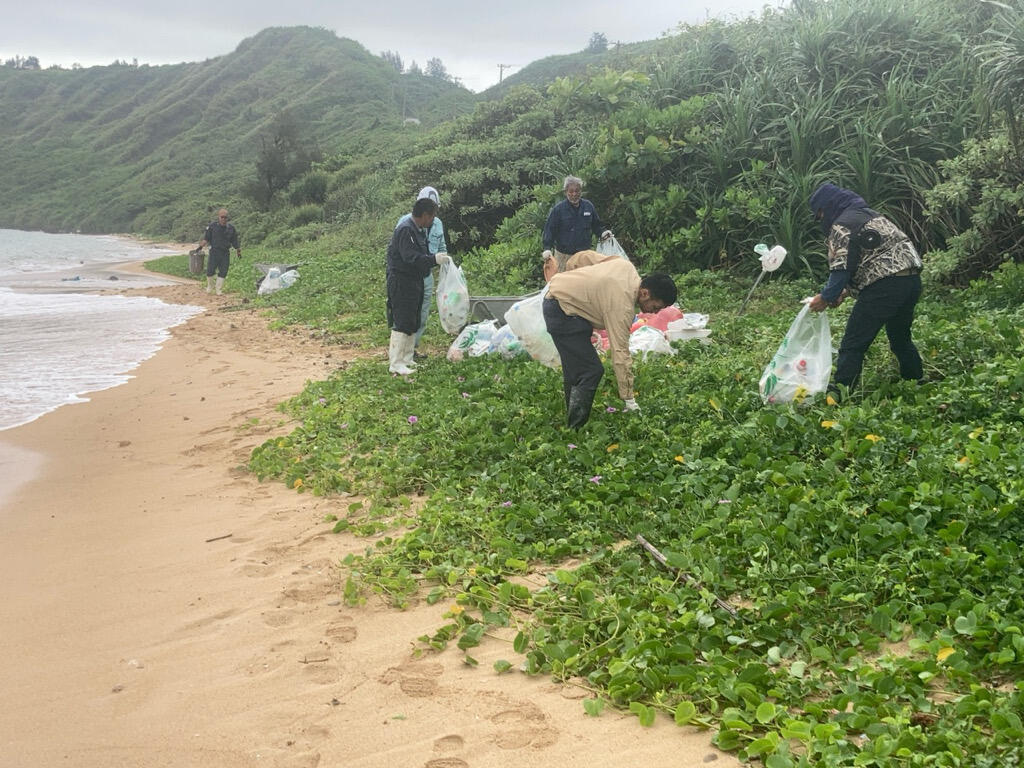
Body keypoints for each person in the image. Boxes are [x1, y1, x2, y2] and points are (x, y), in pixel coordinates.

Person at [807, 183, 924, 396]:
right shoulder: (872, 216)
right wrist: (844, 292)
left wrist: (825, 297)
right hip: (911, 281)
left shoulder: (842, 224)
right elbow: (871, 259)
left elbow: (842, 268)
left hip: (884, 286)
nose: (821, 219)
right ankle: (915, 381)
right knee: (900, 338)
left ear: (828, 206)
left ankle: (839, 393)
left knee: (853, 343)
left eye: (820, 214)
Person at [543, 250, 678, 428]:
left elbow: (583, 257)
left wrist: (572, 279)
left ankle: (572, 420)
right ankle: (575, 426)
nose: (654, 312)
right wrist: (628, 398)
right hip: (561, 312)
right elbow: (620, 352)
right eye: (655, 307)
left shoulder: (626, 267)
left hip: (561, 304)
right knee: (591, 370)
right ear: (645, 293)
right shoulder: (622, 307)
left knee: (575, 368)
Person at [386, 197, 451, 375]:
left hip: (415, 281)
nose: (432, 221)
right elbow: (411, 257)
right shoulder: (406, 230)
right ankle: (396, 362)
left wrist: (434, 259)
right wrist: (433, 260)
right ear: (424, 215)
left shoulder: (419, 231)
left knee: (413, 319)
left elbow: (422, 254)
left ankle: (407, 358)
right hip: (402, 281)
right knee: (402, 320)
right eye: (432, 217)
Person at [396, 186, 448, 360]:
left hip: (426, 275)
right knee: (407, 313)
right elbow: (403, 252)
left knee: (421, 313)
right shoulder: (406, 224)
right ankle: (401, 353)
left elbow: (442, 247)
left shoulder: (437, 223)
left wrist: (445, 263)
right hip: (410, 276)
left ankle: (412, 350)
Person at [541, 176, 613, 282]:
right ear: (565, 192)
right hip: (564, 256)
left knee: (584, 283)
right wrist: (547, 248)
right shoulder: (558, 210)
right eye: (571, 191)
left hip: (584, 256)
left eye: (577, 191)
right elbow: (549, 230)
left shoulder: (588, 206)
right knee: (563, 284)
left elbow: (596, 225)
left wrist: (603, 233)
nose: (574, 194)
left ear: (581, 191)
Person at [197, 208, 241, 295]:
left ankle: (218, 289)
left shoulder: (231, 228)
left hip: (225, 252)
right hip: (214, 251)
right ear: (219, 217)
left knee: (223, 271)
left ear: (227, 218)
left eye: (225, 217)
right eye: (222, 217)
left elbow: (235, 241)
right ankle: (210, 286)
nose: (224, 219)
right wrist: (200, 247)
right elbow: (206, 239)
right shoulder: (212, 226)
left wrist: (238, 251)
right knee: (210, 271)